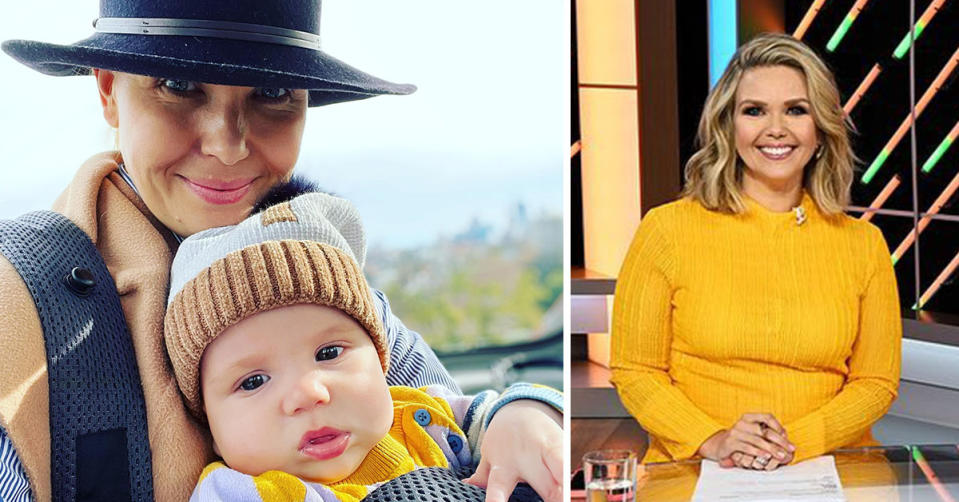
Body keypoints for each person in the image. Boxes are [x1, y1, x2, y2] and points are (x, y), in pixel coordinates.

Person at [0, 1, 562, 500]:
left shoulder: (311, 273)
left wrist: (524, 410)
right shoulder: (18, 310)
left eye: (272, 94)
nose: (227, 144)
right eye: (177, 86)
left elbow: (449, 411)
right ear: (108, 92)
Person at [610, 33, 901, 471]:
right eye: (755, 111)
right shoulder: (666, 229)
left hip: (830, 465)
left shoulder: (863, 245)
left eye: (796, 110)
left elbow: (875, 382)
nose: (776, 129)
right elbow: (635, 371)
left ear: (820, 129)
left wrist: (789, 445)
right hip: (698, 466)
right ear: (729, 127)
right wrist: (715, 440)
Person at [163, 190, 563, 501]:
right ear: (210, 429)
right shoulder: (240, 492)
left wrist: (524, 416)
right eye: (253, 382)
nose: (309, 393)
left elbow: (497, 412)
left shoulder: (423, 415)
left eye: (329, 354)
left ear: (380, 358)